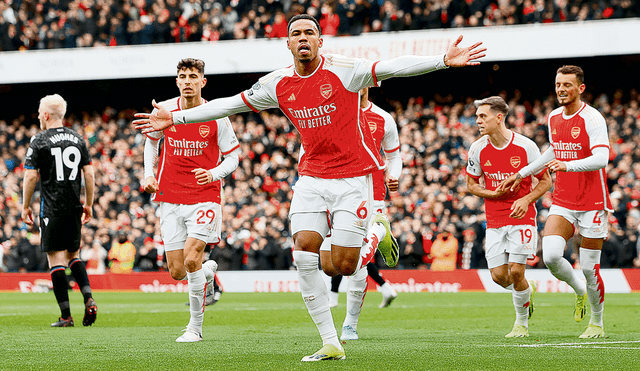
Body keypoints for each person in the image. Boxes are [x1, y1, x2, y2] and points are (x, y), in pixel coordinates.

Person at [133, 14, 485, 361]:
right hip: (312, 178)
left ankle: (375, 233)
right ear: (287, 44)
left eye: (309, 33)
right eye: (296, 33)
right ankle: (331, 341)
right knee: (303, 255)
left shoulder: (345, 70)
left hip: (353, 178)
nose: (303, 38)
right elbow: (232, 104)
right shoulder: (278, 83)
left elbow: (394, 66)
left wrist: (442, 61)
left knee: (342, 267)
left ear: (320, 41)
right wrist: (175, 117)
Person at [498, 66, 611, 339]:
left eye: (567, 85)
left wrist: (568, 165)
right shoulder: (554, 117)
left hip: (594, 202)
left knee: (589, 266)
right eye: (559, 84)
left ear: (580, 88)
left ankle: (597, 322)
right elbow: (554, 150)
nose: (561, 89)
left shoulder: (593, 119)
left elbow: (602, 158)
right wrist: (522, 173)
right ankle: (579, 290)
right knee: (550, 255)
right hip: (564, 200)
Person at [142, 58, 240, 342]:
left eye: (192, 76)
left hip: (204, 196)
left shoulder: (215, 114)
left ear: (202, 82)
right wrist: (149, 175)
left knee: (192, 256)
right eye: (182, 76)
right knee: (177, 271)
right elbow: (152, 141)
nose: (187, 81)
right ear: (177, 81)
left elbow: (233, 156)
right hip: (170, 196)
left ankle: (194, 328)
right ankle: (207, 273)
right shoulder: (164, 110)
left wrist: (213, 173)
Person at [466, 96, 552, 338]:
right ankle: (528, 288)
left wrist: (525, 200)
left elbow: (545, 181)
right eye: (477, 116)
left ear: (499, 117)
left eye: (483, 116)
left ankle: (521, 325)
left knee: (516, 272)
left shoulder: (526, 146)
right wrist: (492, 192)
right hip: (494, 220)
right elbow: (471, 185)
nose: (478, 121)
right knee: (499, 278)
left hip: (521, 217)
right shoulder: (478, 148)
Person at [325, 87, 401, 342]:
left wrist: (394, 175)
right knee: (334, 262)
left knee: (358, 266)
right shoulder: (331, 113)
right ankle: (379, 233)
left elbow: (394, 155)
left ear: (369, 84)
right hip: (336, 192)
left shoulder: (383, 118)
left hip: (371, 194)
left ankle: (350, 324)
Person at [21, 94, 98, 327]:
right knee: (74, 256)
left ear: (45, 115)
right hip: (74, 206)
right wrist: (89, 204)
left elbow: (31, 175)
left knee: (56, 260)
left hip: (51, 208)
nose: (38, 116)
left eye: (38, 113)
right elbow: (90, 174)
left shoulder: (39, 139)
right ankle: (89, 299)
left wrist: (25, 206)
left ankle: (66, 316)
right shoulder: (78, 138)